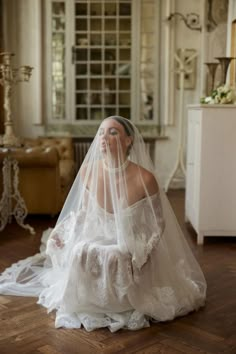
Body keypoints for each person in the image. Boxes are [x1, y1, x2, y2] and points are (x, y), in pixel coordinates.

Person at [0, 116, 206, 332]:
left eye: (113, 132)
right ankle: (87, 298)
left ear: (128, 140)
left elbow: (157, 223)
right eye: (101, 132)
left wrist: (142, 252)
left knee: (119, 253)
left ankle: (122, 300)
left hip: (130, 241)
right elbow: (82, 213)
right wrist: (62, 233)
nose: (104, 138)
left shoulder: (145, 178)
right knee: (81, 249)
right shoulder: (89, 171)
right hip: (95, 233)